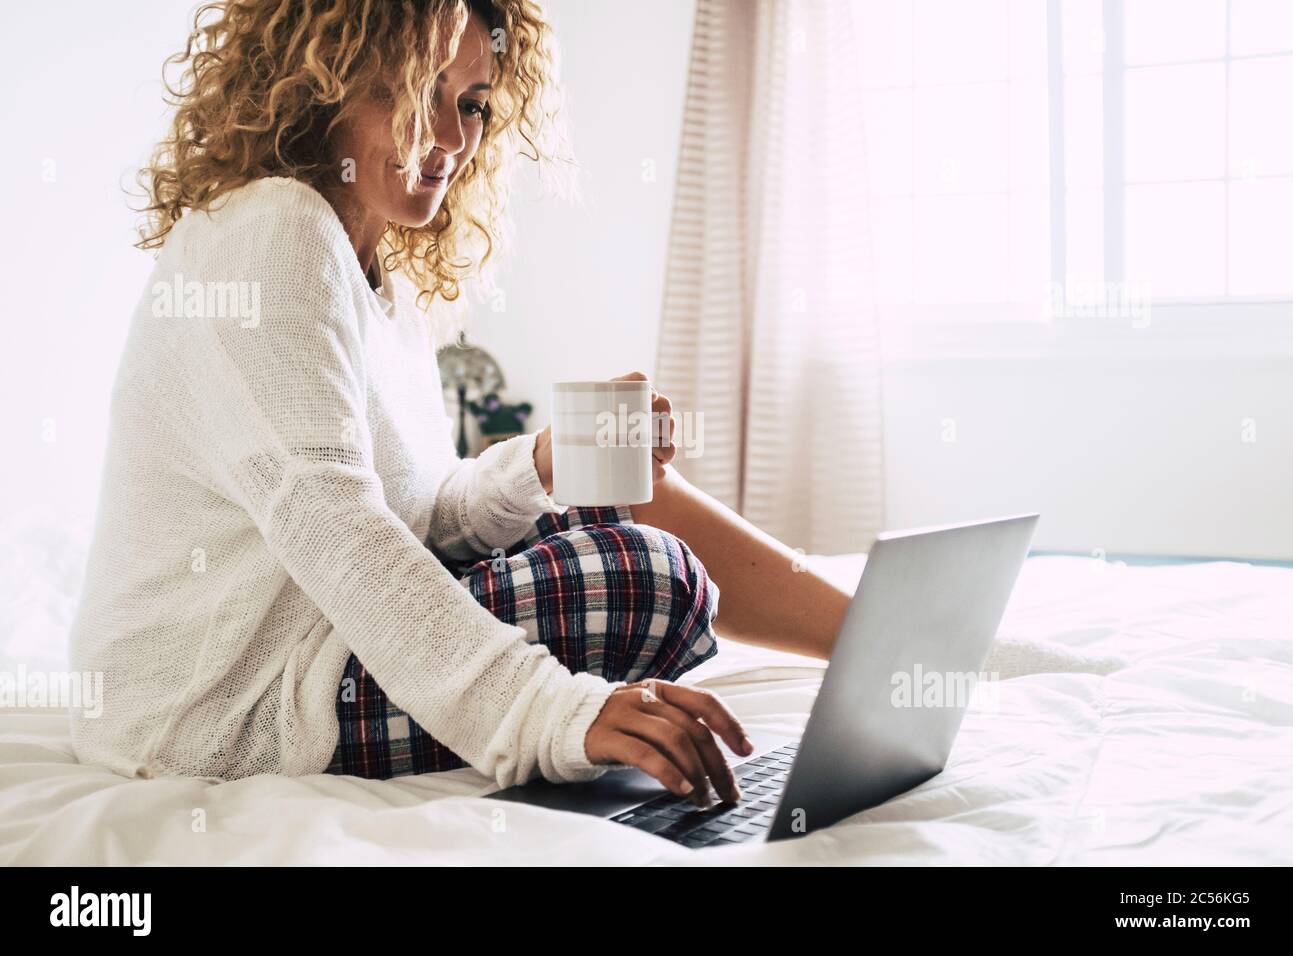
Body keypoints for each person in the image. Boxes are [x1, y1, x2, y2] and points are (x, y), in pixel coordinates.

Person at [70, 0, 852, 809]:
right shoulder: (269, 232)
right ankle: (878, 644)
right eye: (414, 95)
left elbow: (420, 514)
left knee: (620, 489)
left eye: (472, 105)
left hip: (332, 632)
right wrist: (554, 713)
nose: (448, 138)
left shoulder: (385, 282)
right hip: (224, 707)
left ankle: (872, 638)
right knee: (649, 578)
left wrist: (543, 464)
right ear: (320, 86)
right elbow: (338, 528)